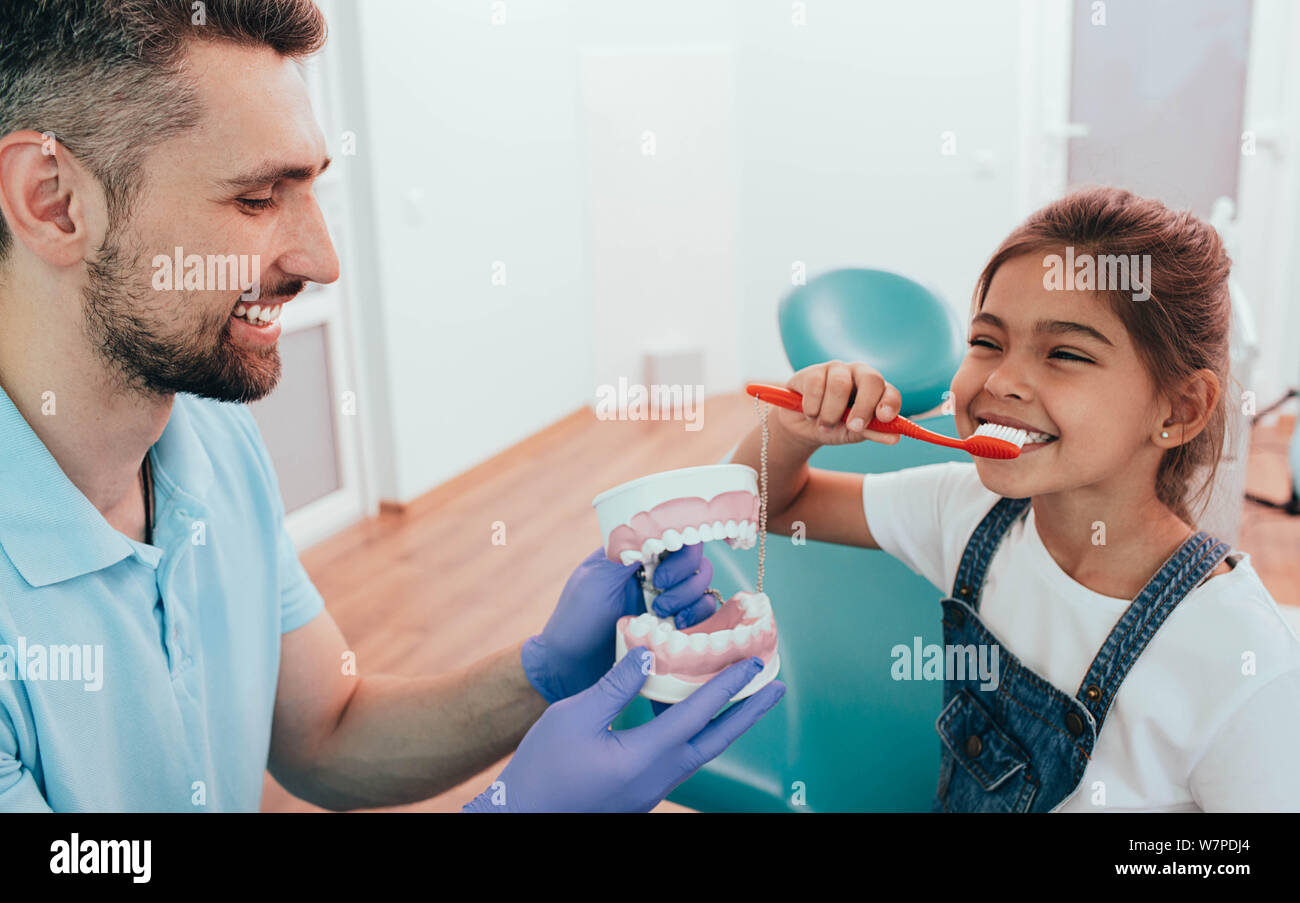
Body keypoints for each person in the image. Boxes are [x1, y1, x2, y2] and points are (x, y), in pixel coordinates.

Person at [0, 0, 783, 813]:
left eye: (309, 190)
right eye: (257, 199)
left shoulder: (213, 442)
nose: (323, 260)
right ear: (53, 200)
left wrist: (545, 671)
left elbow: (325, 734)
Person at [732, 187, 1300, 812]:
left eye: (1065, 354)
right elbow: (766, 504)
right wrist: (789, 430)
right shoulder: (966, 511)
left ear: (1180, 409)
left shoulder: (1244, 662)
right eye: (986, 342)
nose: (1001, 381)